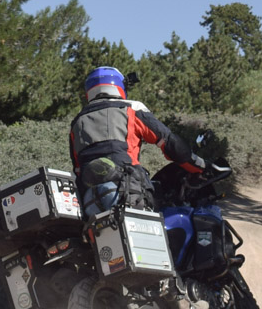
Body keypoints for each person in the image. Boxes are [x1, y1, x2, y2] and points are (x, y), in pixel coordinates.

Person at [69, 66, 206, 218]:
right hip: (129, 193)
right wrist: (198, 166)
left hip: (91, 202)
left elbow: (78, 169)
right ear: (119, 86)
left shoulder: (77, 122)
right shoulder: (131, 109)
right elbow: (170, 144)